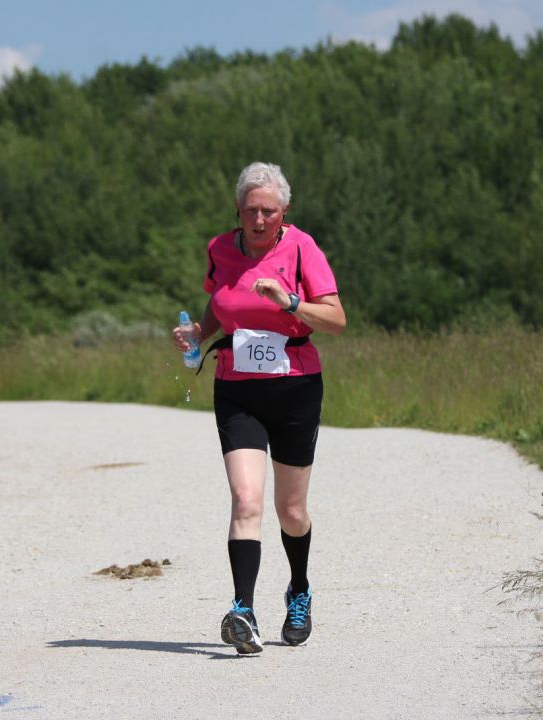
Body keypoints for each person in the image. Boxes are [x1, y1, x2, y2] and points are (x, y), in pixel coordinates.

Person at [172, 161, 346, 655]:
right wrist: (198, 334)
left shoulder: (302, 248)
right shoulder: (220, 250)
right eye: (252, 210)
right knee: (246, 501)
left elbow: (336, 319)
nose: (260, 219)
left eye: (269, 211)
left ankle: (299, 589)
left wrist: (290, 302)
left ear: (284, 211)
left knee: (290, 511)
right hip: (237, 389)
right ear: (238, 210)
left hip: (295, 386)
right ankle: (242, 611)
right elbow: (219, 302)